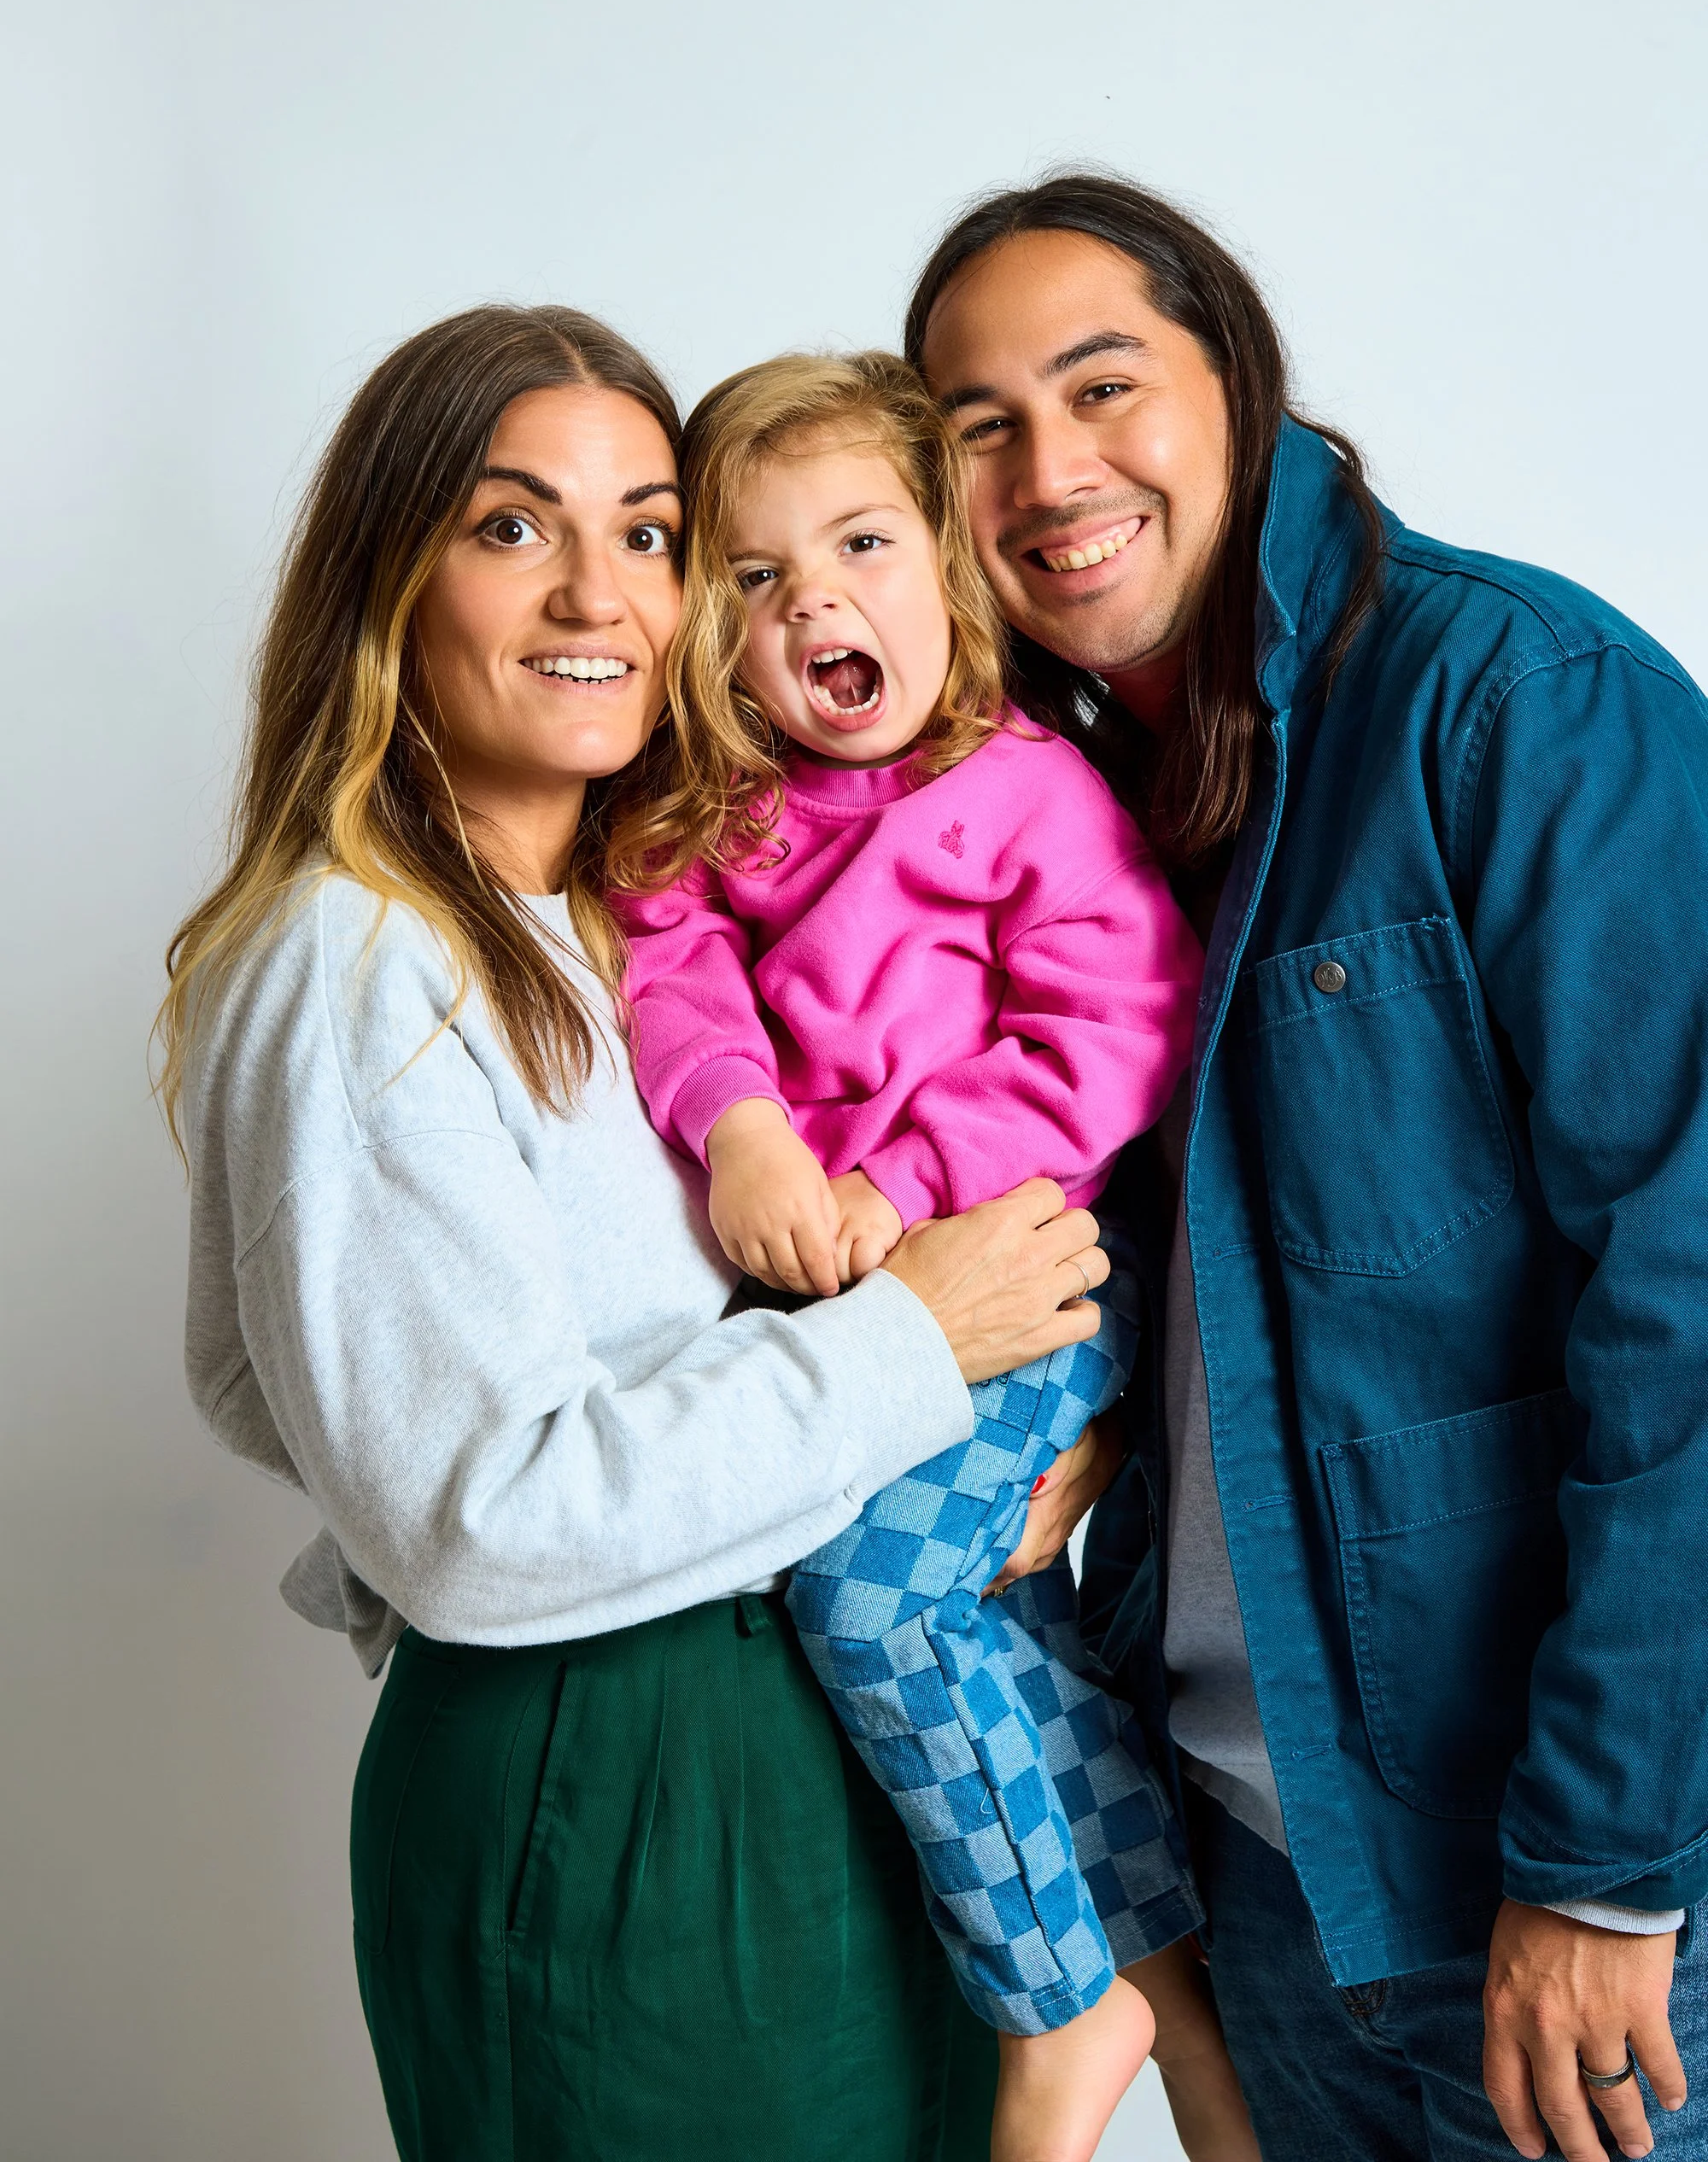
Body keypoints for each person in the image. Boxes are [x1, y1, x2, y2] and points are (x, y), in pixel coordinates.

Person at [157, 303, 1115, 2162]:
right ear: (390, 578)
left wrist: (996, 1427)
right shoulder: (367, 959)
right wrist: (908, 1345)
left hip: (813, 1743)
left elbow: (291, 1374)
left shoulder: (617, 930)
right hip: (618, 1789)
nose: (597, 588)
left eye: (651, 529)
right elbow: (471, 1508)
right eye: (512, 524)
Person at [902, 172, 1708, 2162]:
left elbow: (1691, 1293)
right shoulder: (1073, 810)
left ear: (1234, 385)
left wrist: (1606, 1867)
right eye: (976, 426)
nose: (1048, 469)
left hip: (1545, 1880)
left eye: (1101, 386)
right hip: (1255, 1866)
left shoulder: (1513, 695)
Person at [609, 349, 1260, 2161]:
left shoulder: (1022, 787)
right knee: (1001, 1627)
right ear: (713, 635)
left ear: (954, 572)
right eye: (753, 574)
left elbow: (1119, 1026)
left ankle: (1056, 2004)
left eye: (863, 541)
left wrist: (896, 1180)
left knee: (871, 1603)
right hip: (868, 1308)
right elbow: (667, 971)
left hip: (1025, 1273)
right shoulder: (717, 808)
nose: (814, 593)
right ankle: (1175, 2003)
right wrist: (740, 1126)